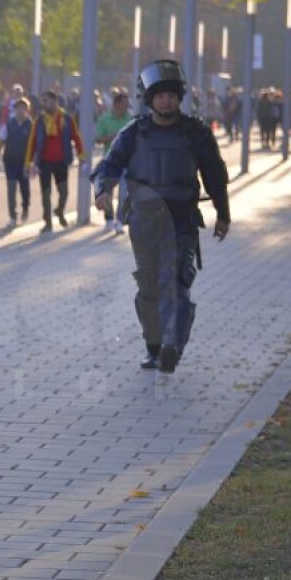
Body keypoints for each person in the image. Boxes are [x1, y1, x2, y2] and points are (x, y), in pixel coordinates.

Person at [92, 60, 230, 374]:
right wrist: (102, 190)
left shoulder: (196, 133)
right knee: (149, 287)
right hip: (143, 222)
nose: (166, 101)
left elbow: (214, 175)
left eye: (171, 95)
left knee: (176, 284)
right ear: (149, 98)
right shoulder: (133, 133)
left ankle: (172, 345)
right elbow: (109, 165)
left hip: (181, 221)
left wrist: (223, 214)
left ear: (178, 97)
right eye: (160, 95)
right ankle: (154, 347)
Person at [27, 89, 85, 233]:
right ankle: (47, 222)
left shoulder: (66, 118)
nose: (44, 104)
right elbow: (32, 141)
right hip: (44, 162)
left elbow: (76, 137)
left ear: (55, 100)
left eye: (46, 100)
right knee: (46, 193)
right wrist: (28, 162)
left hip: (61, 161)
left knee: (64, 192)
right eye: (43, 101)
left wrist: (81, 155)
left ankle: (59, 210)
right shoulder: (39, 120)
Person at [94, 90, 135, 234]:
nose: (127, 107)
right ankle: (109, 219)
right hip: (109, 162)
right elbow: (98, 139)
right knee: (107, 193)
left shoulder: (129, 118)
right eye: (124, 104)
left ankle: (119, 220)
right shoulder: (105, 119)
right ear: (116, 104)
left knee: (124, 194)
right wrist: (114, 137)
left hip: (126, 163)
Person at [2, 97, 33, 227]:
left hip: (24, 162)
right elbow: (2, 140)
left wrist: (32, 162)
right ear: (14, 110)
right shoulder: (9, 124)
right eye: (18, 108)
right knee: (11, 188)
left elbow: (35, 145)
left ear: (27, 110)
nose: (20, 110)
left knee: (24, 188)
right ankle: (12, 216)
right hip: (10, 161)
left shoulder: (31, 125)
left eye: (23, 108)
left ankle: (25, 208)